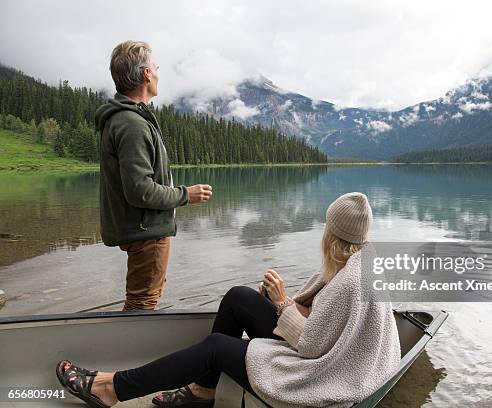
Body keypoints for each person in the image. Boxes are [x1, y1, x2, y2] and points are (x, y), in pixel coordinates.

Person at [56, 192, 401, 408]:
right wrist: (280, 300)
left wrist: (282, 305)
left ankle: (111, 388)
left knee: (217, 348)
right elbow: (323, 317)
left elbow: (312, 346)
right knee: (239, 297)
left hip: (323, 376)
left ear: (333, 233)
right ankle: (205, 391)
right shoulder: (360, 259)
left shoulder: (351, 282)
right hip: (327, 355)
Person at [94, 41, 213, 311]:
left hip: (143, 230)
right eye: (156, 68)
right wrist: (186, 195)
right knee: (142, 304)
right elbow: (140, 189)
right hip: (147, 233)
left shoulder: (127, 119)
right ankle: (129, 351)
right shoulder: (131, 123)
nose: (159, 74)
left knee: (143, 298)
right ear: (147, 74)